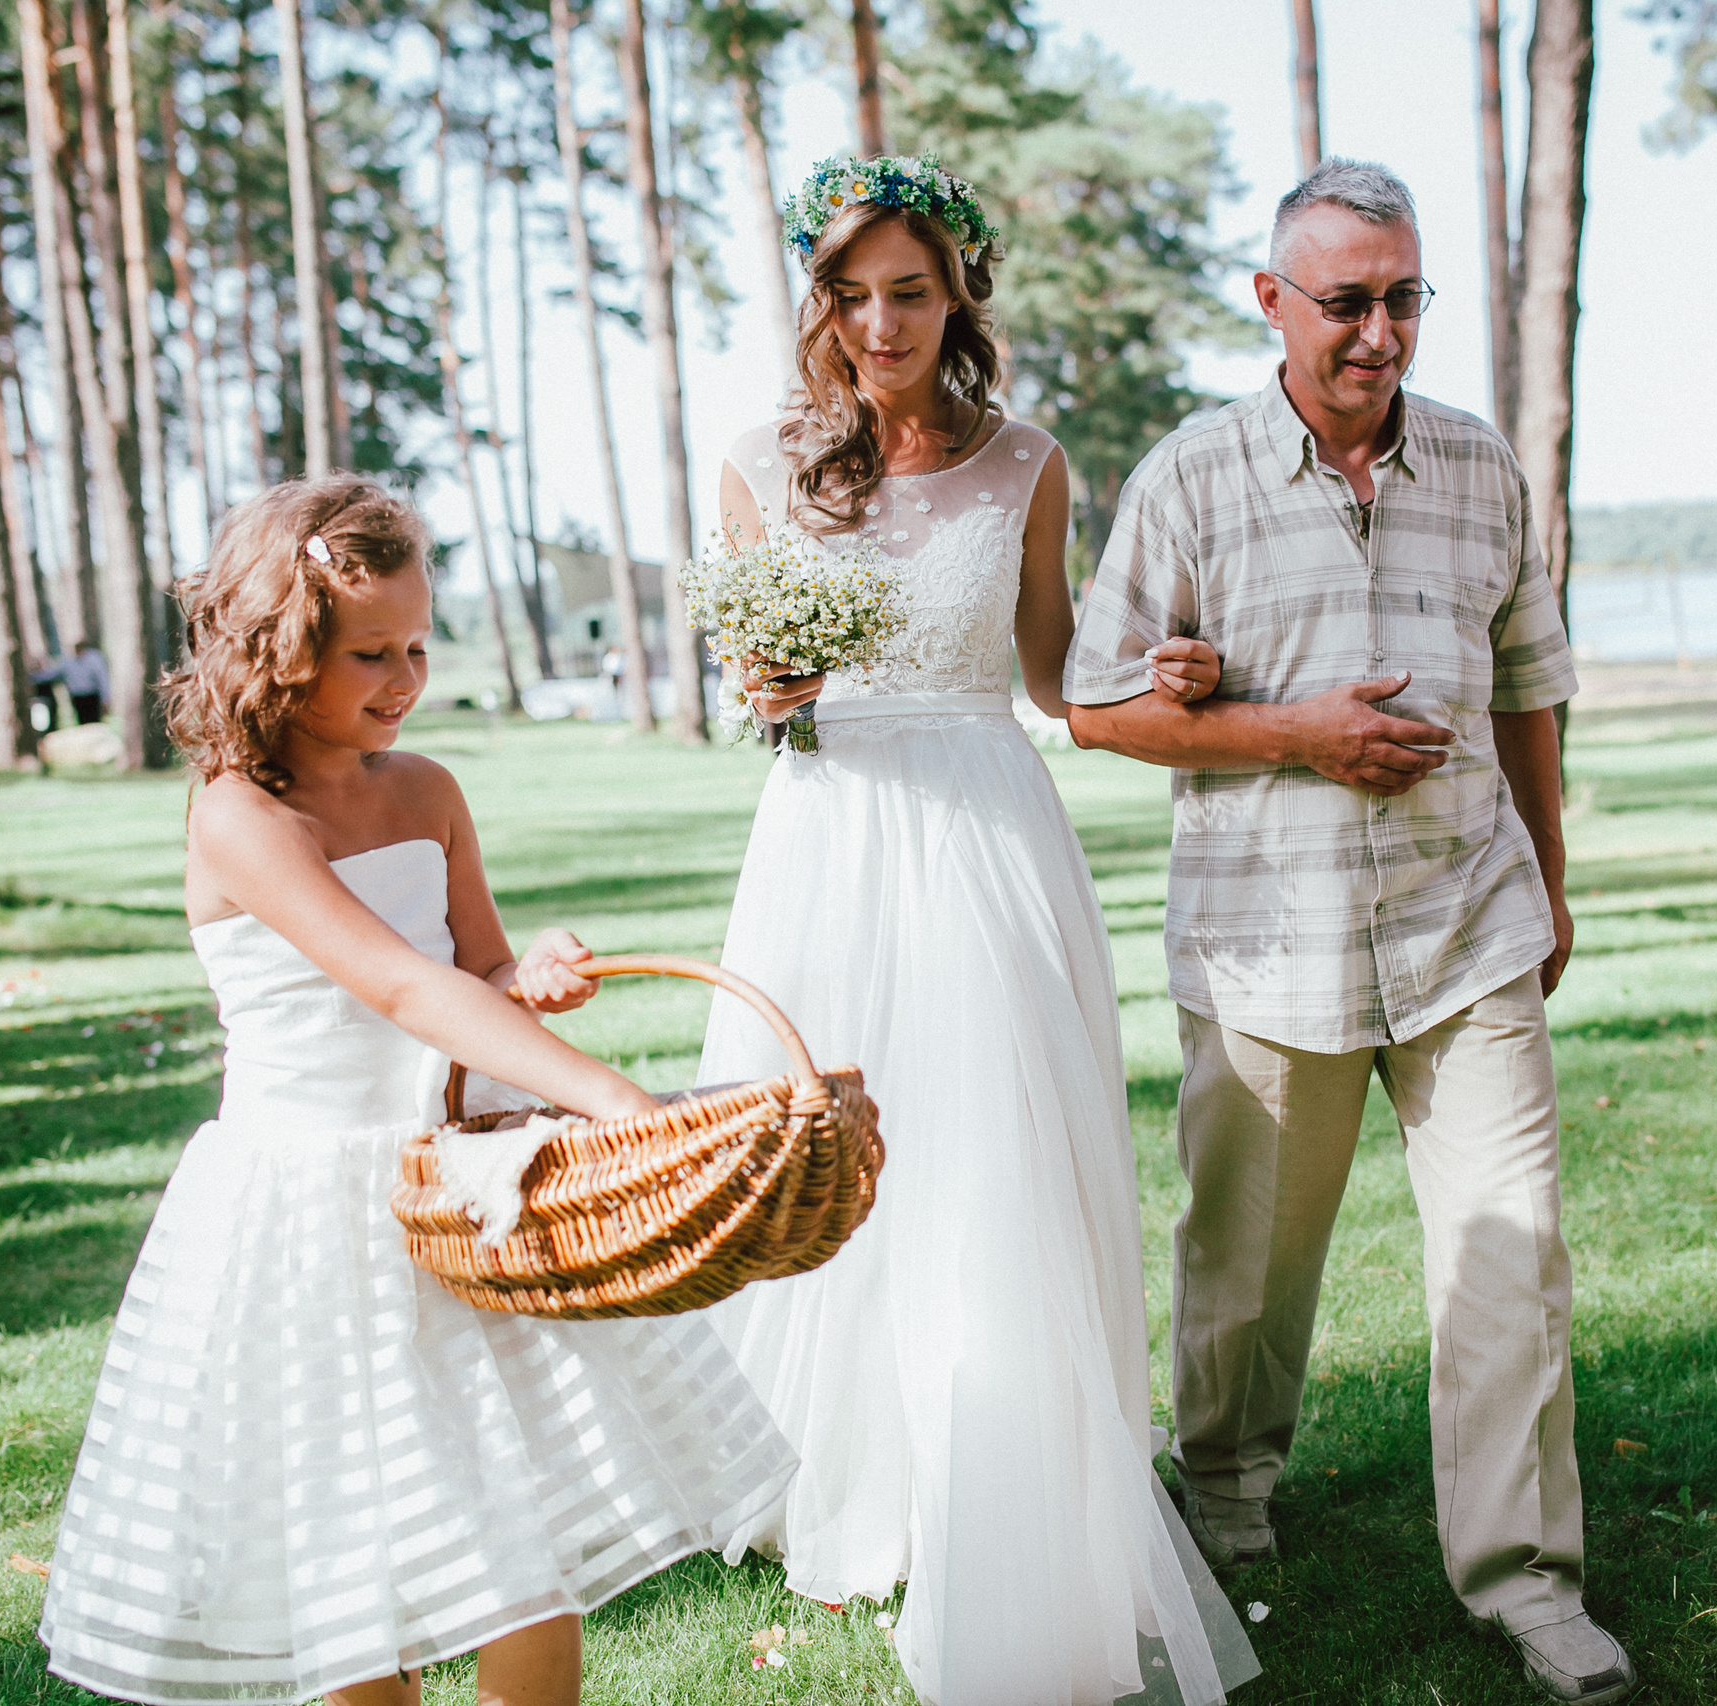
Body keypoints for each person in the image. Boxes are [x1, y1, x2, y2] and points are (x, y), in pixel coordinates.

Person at [37, 476, 794, 1706]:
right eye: (368, 653)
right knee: (354, 1559)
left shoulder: (428, 791)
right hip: (310, 1214)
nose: (403, 676)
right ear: (277, 655)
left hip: (456, 1187)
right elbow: (396, 985)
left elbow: (467, 967)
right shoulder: (241, 815)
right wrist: (613, 1096)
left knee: (518, 1538)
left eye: (418, 645)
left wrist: (524, 976)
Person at [1062, 161, 1632, 1706]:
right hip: (1270, 943)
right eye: (1348, 302)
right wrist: (1292, 731)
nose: (1381, 332)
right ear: (1271, 302)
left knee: (1512, 1253)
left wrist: (1554, 874)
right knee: (1248, 1265)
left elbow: (1531, 680)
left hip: (1469, 922)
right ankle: (1232, 1494)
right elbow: (1098, 706)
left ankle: (1526, 1579)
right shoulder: (1189, 476)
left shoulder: (1480, 465)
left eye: (1405, 297)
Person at [696, 154, 1261, 1706]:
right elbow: (744, 675)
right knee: (822, 1149)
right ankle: (846, 1475)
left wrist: (1165, 679)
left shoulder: (1028, 462)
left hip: (986, 831)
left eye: (912, 289)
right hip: (827, 834)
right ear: (821, 303)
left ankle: (998, 1483)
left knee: (989, 1157)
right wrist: (767, 693)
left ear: (959, 296)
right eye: (853, 293)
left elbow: (1054, 678)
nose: (881, 322)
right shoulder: (759, 463)